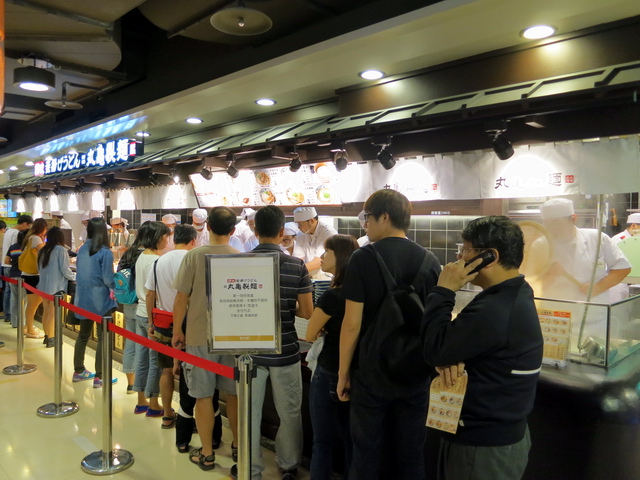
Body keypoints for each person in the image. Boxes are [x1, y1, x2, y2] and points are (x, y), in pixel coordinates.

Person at [422, 215, 544, 480]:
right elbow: (449, 348)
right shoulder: (514, 292)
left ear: (490, 256)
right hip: (492, 439)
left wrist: (444, 290)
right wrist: (451, 354)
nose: (460, 257)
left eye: (466, 250)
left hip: (483, 448)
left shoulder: (496, 307)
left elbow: (433, 349)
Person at [337, 189, 441, 480]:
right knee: (411, 456)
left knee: (367, 455)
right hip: (415, 373)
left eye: (367, 217)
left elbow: (351, 324)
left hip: (371, 374)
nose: (365, 224)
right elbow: (435, 321)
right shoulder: (431, 261)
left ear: (385, 217)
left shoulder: (362, 258)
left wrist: (343, 373)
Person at [237, 205, 313, 480]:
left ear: (256, 231)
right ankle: (288, 465)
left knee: (249, 412)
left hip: (249, 353)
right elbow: (307, 312)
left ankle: (250, 468)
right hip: (286, 351)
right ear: (282, 232)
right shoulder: (296, 265)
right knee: (290, 412)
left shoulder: (239, 263)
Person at [172, 206, 241, 472]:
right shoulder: (241, 257)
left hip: (199, 335)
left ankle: (208, 454)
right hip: (233, 336)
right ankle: (238, 446)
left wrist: (178, 331)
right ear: (233, 230)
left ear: (208, 227)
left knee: (203, 396)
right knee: (233, 395)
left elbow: (181, 297)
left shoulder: (194, 256)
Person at [534, 198, 631, 342]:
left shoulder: (597, 238)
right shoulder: (540, 245)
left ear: (573, 218)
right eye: (547, 223)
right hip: (555, 324)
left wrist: (598, 287)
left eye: (556, 223)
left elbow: (622, 268)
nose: (551, 228)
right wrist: (549, 276)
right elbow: (531, 285)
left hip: (595, 322)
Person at [305, 234, 358, 480]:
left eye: (328, 252)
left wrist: (323, 328)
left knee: (322, 441)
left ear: (341, 257)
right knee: (351, 439)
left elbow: (310, 333)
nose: (322, 256)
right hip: (356, 372)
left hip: (328, 371)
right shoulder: (362, 293)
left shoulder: (332, 295)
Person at [145, 224, 197, 429]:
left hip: (164, 324)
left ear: (174, 240)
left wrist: (151, 322)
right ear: (193, 241)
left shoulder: (159, 261)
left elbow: (150, 293)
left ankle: (167, 414)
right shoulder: (193, 259)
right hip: (189, 325)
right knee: (189, 373)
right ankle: (187, 417)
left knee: (166, 371)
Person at [73, 218, 119, 387]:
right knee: (103, 338)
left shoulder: (82, 249)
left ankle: (78, 371)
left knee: (83, 335)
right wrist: (115, 288)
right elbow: (108, 278)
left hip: (82, 298)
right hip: (101, 300)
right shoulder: (105, 252)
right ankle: (100, 376)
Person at [133, 221, 171, 415]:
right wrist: (152, 321)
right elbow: (151, 293)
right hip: (151, 315)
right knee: (156, 362)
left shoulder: (142, 256)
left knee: (142, 359)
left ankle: (141, 400)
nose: (167, 240)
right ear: (157, 238)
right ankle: (154, 403)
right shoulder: (155, 260)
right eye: (165, 236)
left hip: (139, 312)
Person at [117, 221, 152, 393]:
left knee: (130, 343)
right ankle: (142, 386)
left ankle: (131, 383)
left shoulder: (129, 252)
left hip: (128, 302)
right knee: (144, 347)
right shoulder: (148, 256)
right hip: (143, 305)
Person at [37, 227, 76, 347]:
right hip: (56, 286)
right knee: (52, 313)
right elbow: (65, 269)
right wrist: (74, 277)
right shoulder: (61, 250)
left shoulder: (43, 250)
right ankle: (51, 338)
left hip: (43, 285)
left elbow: (39, 268)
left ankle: (47, 336)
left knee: (46, 311)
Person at [1, 214, 33, 327]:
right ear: (24, 224)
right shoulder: (16, 234)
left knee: (10, 294)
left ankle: (9, 316)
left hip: (7, 266)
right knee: (21, 298)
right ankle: (19, 321)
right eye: (28, 226)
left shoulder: (8, 231)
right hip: (16, 269)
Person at [21, 218, 48, 339]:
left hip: (27, 273)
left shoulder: (29, 237)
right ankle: (30, 330)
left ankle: (27, 327)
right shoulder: (36, 238)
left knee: (31, 303)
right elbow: (44, 252)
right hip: (33, 275)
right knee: (33, 303)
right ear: (42, 228)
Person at [292, 206, 338, 277]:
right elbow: (297, 258)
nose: (298, 227)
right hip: (308, 275)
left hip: (326, 277)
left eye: (300, 224)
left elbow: (319, 261)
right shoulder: (301, 233)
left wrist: (296, 271)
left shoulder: (328, 232)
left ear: (312, 221)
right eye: (297, 224)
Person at [4, 230, 27, 330]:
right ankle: (23, 323)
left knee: (14, 299)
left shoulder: (12, 247)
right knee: (24, 301)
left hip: (13, 275)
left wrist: (14, 264)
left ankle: (14, 322)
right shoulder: (27, 248)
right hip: (24, 276)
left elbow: (6, 261)